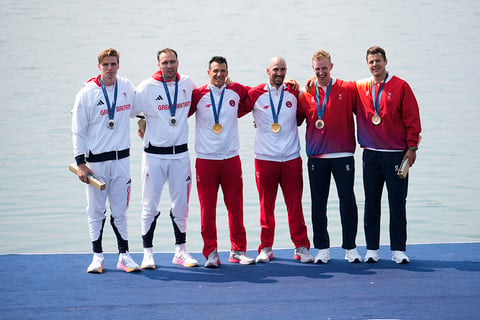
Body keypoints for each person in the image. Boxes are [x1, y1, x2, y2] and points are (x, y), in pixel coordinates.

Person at [71, 48, 140, 273]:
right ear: (99, 67)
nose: (110, 69)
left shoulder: (127, 87)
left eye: (113, 64)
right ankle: (97, 257)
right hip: (96, 163)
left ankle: (124, 255)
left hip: (121, 161)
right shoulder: (86, 94)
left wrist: (143, 121)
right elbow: (77, 131)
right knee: (96, 210)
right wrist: (80, 163)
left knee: (120, 210)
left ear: (118, 66)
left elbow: (139, 109)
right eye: (105, 65)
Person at [133, 48, 199, 268]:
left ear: (178, 62)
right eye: (165, 63)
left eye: (172, 62)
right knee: (149, 206)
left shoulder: (188, 84)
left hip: (180, 155)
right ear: (158, 64)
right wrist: (142, 121)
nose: (169, 66)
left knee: (181, 205)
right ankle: (147, 253)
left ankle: (180, 251)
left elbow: (204, 99)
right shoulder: (146, 87)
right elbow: (128, 110)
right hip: (154, 156)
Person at [355, 46, 421, 264]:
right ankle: (372, 249)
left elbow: (412, 119)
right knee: (371, 202)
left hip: (396, 155)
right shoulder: (361, 87)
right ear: (367, 64)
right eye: (371, 62)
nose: (375, 65)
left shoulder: (401, 86)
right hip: (371, 155)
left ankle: (398, 250)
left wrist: (412, 148)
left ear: (385, 61)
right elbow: (336, 89)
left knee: (397, 202)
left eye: (378, 61)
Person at [246, 56, 313, 263]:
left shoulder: (294, 92)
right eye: (275, 69)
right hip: (265, 159)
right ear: (268, 71)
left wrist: (306, 86)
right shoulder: (255, 94)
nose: (279, 73)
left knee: (295, 205)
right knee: (266, 207)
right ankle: (265, 247)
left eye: (283, 69)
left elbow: (304, 114)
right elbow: (233, 107)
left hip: (291, 158)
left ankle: (301, 247)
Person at [190, 56, 255, 268]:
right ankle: (211, 253)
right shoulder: (198, 95)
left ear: (228, 72)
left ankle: (238, 251)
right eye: (215, 71)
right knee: (207, 210)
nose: (219, 74)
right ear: (208, 72)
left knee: (236, 208)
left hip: (231, 159)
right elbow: (179, 115)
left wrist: (233, 83)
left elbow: (251, 95)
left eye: (223, 71)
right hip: (206, 160)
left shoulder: (234, 92)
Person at [298, 50, 361, 264]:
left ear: (332, 66)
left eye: (325, 68)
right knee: (318, 203)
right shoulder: (305, 93)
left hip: (343, 153)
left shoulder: (348, 88)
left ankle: (350, 248)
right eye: (317, 69)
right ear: (312, 69)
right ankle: (322, 249)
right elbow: (293, 120)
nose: (321, 72)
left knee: (347, 201)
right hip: (317, 156)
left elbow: (369, 100)